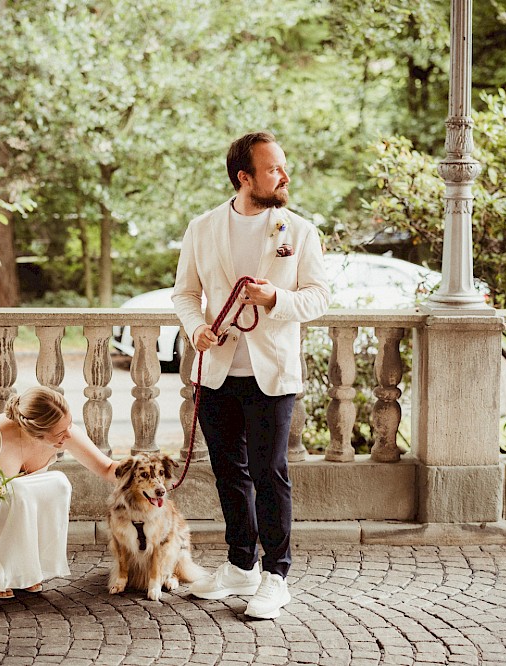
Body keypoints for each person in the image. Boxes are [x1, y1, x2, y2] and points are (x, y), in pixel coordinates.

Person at [172, 131, 330, 619]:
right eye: (272, 169)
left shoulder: (300, 232)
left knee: (270, 473)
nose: (284, 176)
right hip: (217, 372)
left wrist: (275, 299)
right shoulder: (202, 228)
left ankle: (275, 575)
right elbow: (183, 294)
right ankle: (240, 564)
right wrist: (197, 328)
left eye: (282, 167)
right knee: (229, 474)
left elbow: (319, 298)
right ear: (244, 177)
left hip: (271, 375)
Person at [0, 387, 117, 599]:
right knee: (18, 491)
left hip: (23, 507)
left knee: (58, 483)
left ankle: (26, 569)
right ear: (35, 431)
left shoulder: (64, 432)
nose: (68, 435)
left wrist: (150, 475)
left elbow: (107, 468)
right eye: (60, 433)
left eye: (68, 425)